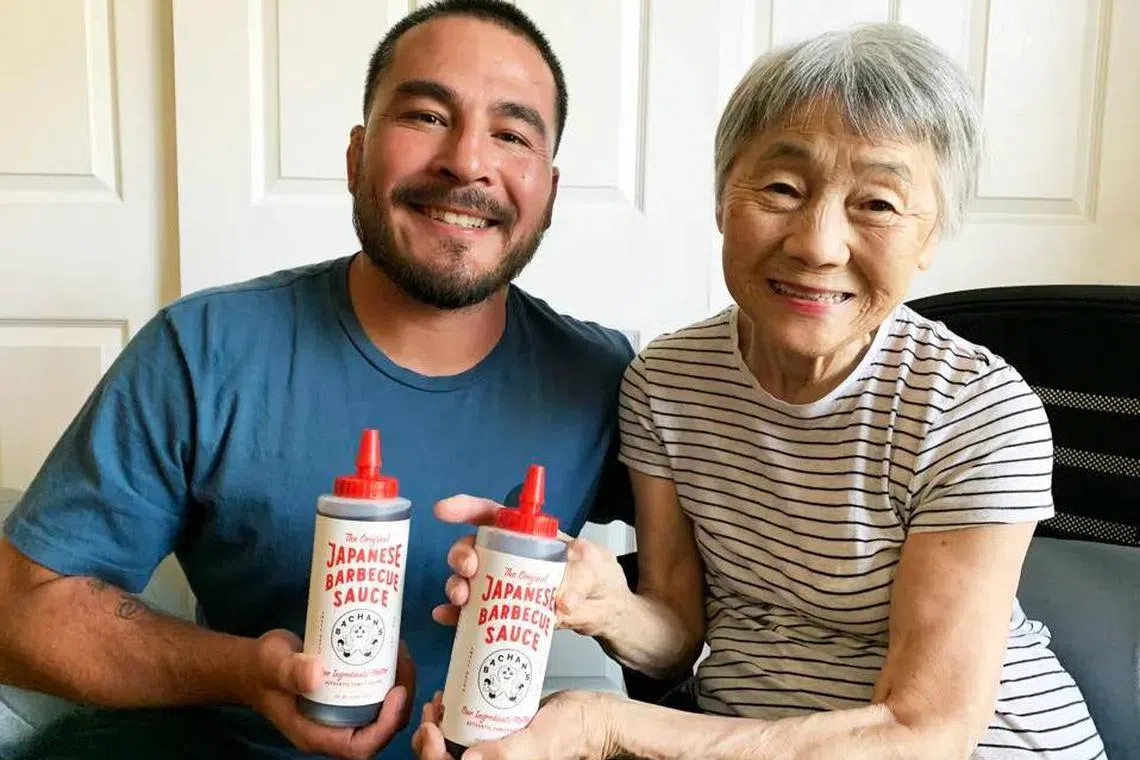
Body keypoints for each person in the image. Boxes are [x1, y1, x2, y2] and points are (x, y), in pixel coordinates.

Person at [415, 23, 1106, 760]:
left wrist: (603, 726)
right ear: (721, 201)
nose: (817, 244)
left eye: (876, 204)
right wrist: (605, 605)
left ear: (931, 237)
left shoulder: (975, 411)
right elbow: (676, 642)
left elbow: (925, 728)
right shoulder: (667, 386)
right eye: (781, 188)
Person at [0, 1, 633, 759]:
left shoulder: (605, 380)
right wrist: (246, 671)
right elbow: (19, 616)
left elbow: (716, 606)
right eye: (428, 115)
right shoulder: (204, 350)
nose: (468, 161)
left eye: (511, 132)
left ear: (550, 193)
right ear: (355, 158)